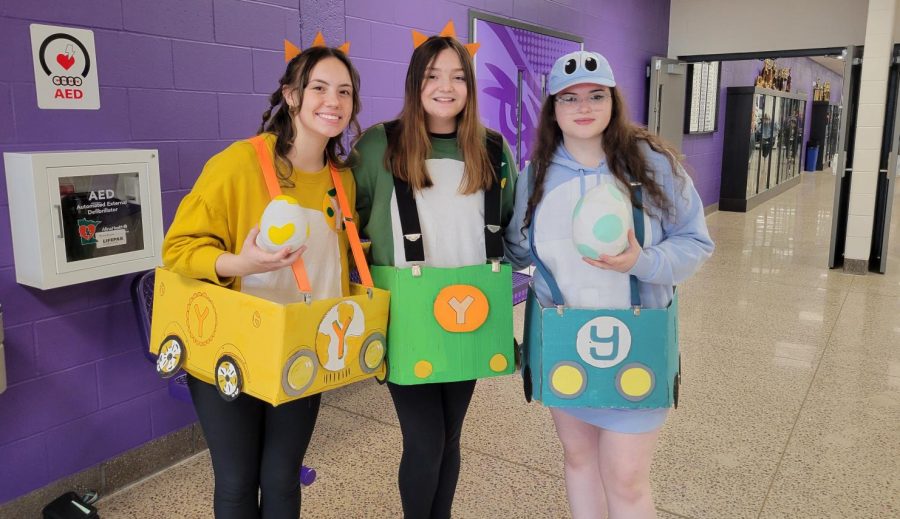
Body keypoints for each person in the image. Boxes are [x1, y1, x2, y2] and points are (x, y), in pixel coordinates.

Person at [506, 51, 713, 519]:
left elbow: (696, 243)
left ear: (613, 101)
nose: (584, 106)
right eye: (570, 97)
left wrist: (643, 262)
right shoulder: (535, 175)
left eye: (596, 95)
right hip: (562, 339)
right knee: (578, 460)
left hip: (638, 339)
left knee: (625, 476)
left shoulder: (653, 165)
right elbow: (519, 250)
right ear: (553, 109)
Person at [161, 42, 361, 518]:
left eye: (345, 91)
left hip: (300, 346)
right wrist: (241, 264)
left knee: (282, 477)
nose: (333, 101)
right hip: (230, 345)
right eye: (319, 88)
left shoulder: (343, 181)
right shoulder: (240, 163)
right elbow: (178, 250)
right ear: (291, 96)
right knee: (236, 479)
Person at [351, 28, 517, 519]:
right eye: (432, 76)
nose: (445, 87)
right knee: (423, 441)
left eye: (457, 76)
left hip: (473, 310)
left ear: (469, 85)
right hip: (407, 314)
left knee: (450, 436)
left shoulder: (491, 148)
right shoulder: (381, 143)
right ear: (414, 84)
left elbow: (505, 222)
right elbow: (349, 219)